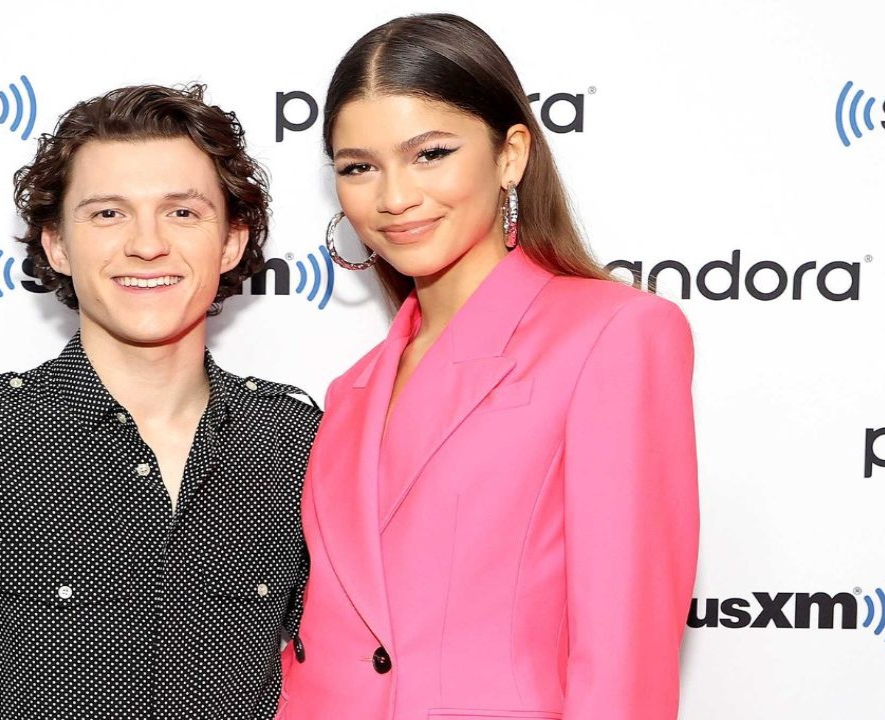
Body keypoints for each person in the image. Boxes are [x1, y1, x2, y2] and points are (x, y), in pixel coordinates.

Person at [0, 84, 319, 720]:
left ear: (231, 243)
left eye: (182, 213)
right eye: (108, 214)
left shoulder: (301, 445)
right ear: (55, 245)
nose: (147, 244)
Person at [278, 14, 698, 720]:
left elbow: (624, 660)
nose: (394, 197)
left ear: (510, 155)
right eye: (359, 167)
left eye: (430, 153)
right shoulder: (351, 390)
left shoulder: (615, 334)